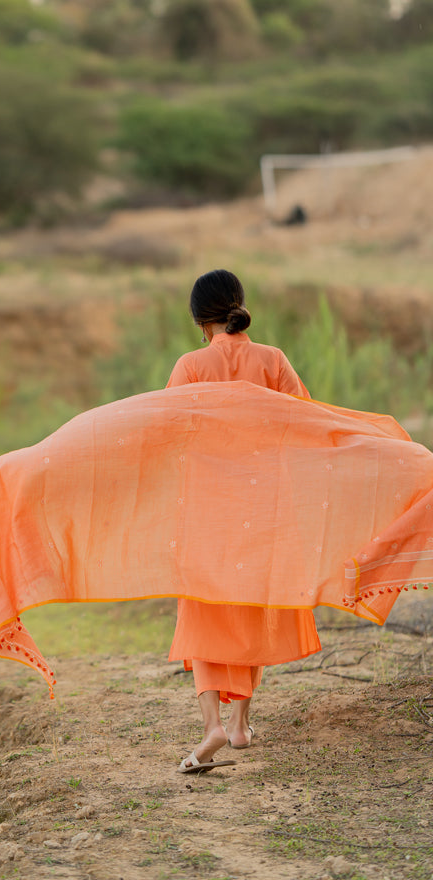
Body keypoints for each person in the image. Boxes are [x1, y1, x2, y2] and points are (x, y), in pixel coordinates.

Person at [166, 269, 320, 773]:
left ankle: (212, 722)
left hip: (209, 505)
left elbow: (169, 431)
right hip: (263, 505)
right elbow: (306, 421)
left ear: (199, 320)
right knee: (251, 605)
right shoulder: (272, 360)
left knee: (205, 609)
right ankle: (239, 727)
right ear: (239, 306)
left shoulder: (190, 366)